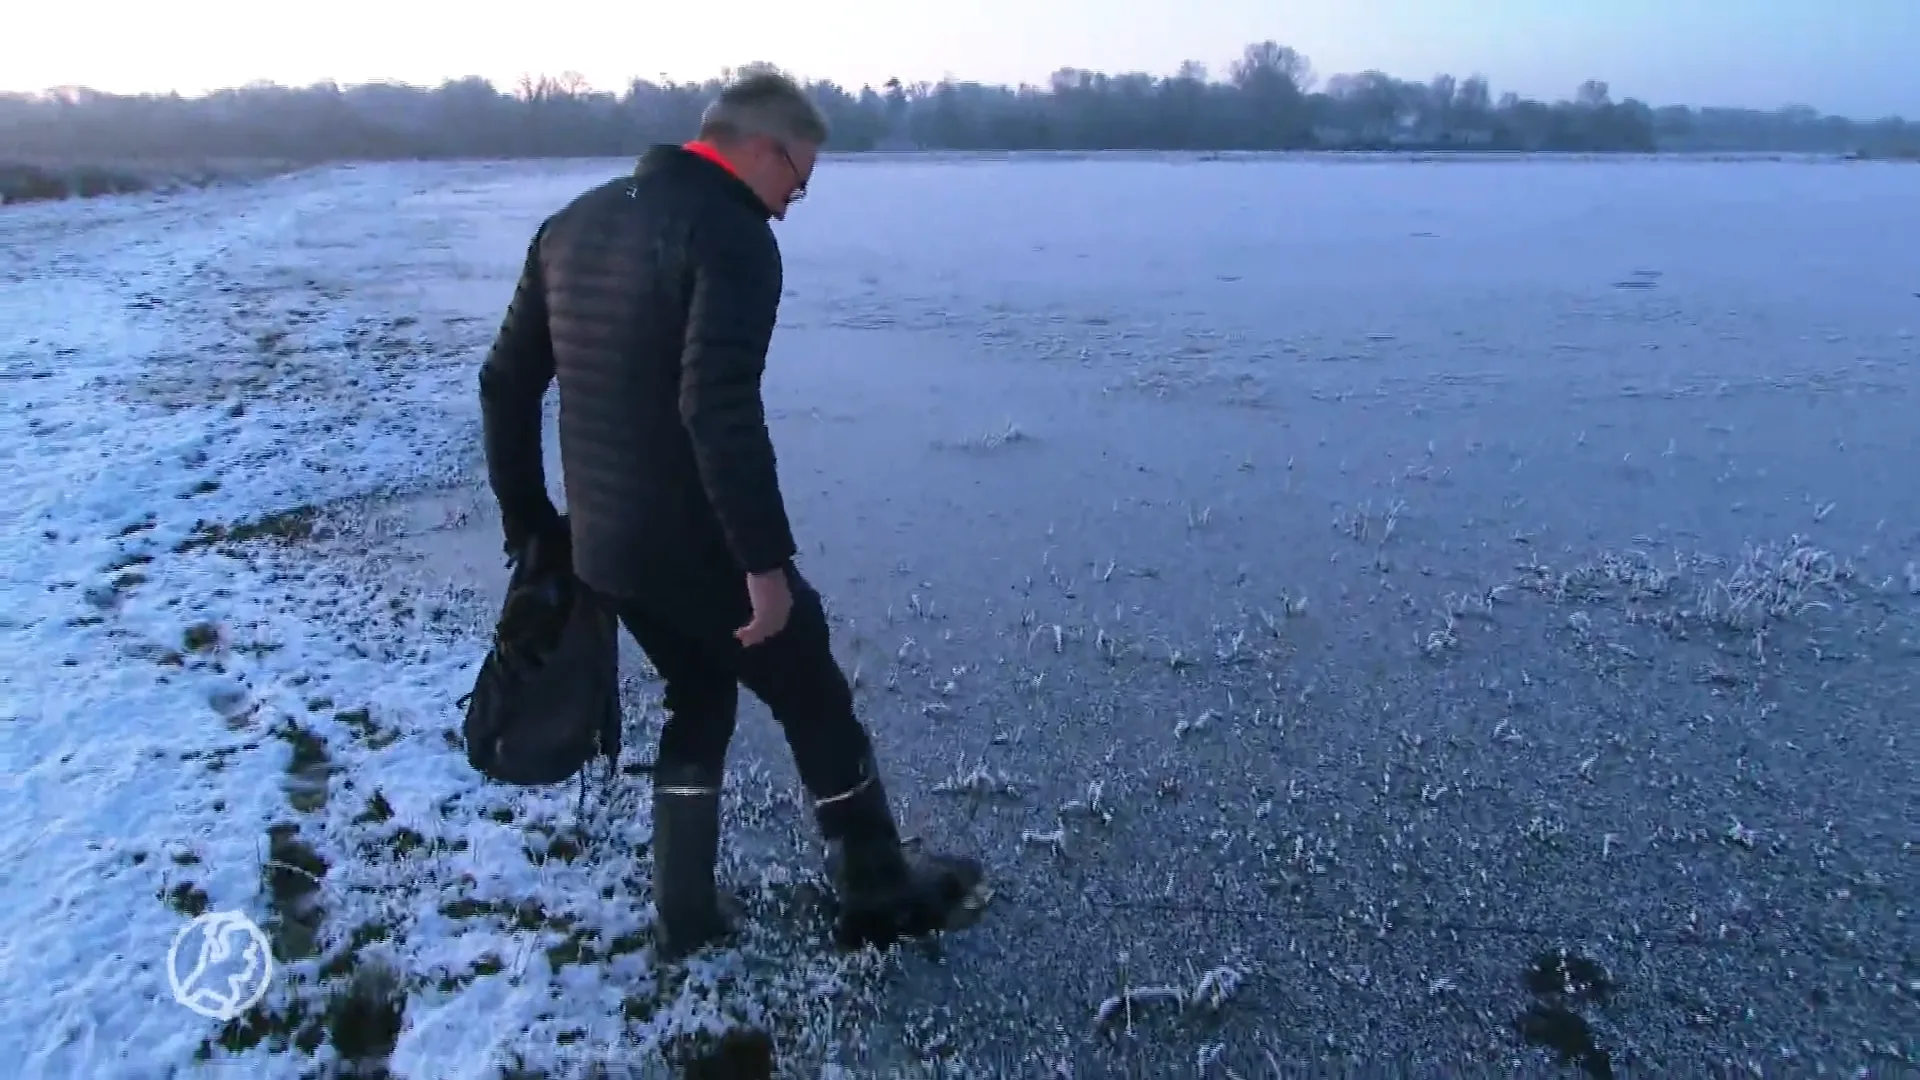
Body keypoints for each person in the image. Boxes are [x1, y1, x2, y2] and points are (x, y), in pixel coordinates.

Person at [476, 71, 985, 959]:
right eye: (799, 173)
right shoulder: (732, 236)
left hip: (607, 547)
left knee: (699, 694)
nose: (796, 200)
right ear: (757, 146)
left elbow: (503, 384)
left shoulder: (573, 225)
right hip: (694, 542)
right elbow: (715, 407)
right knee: (812, 691)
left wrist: (538, 531)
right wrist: (764, 568)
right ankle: (880, 891)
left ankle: (684, 914)